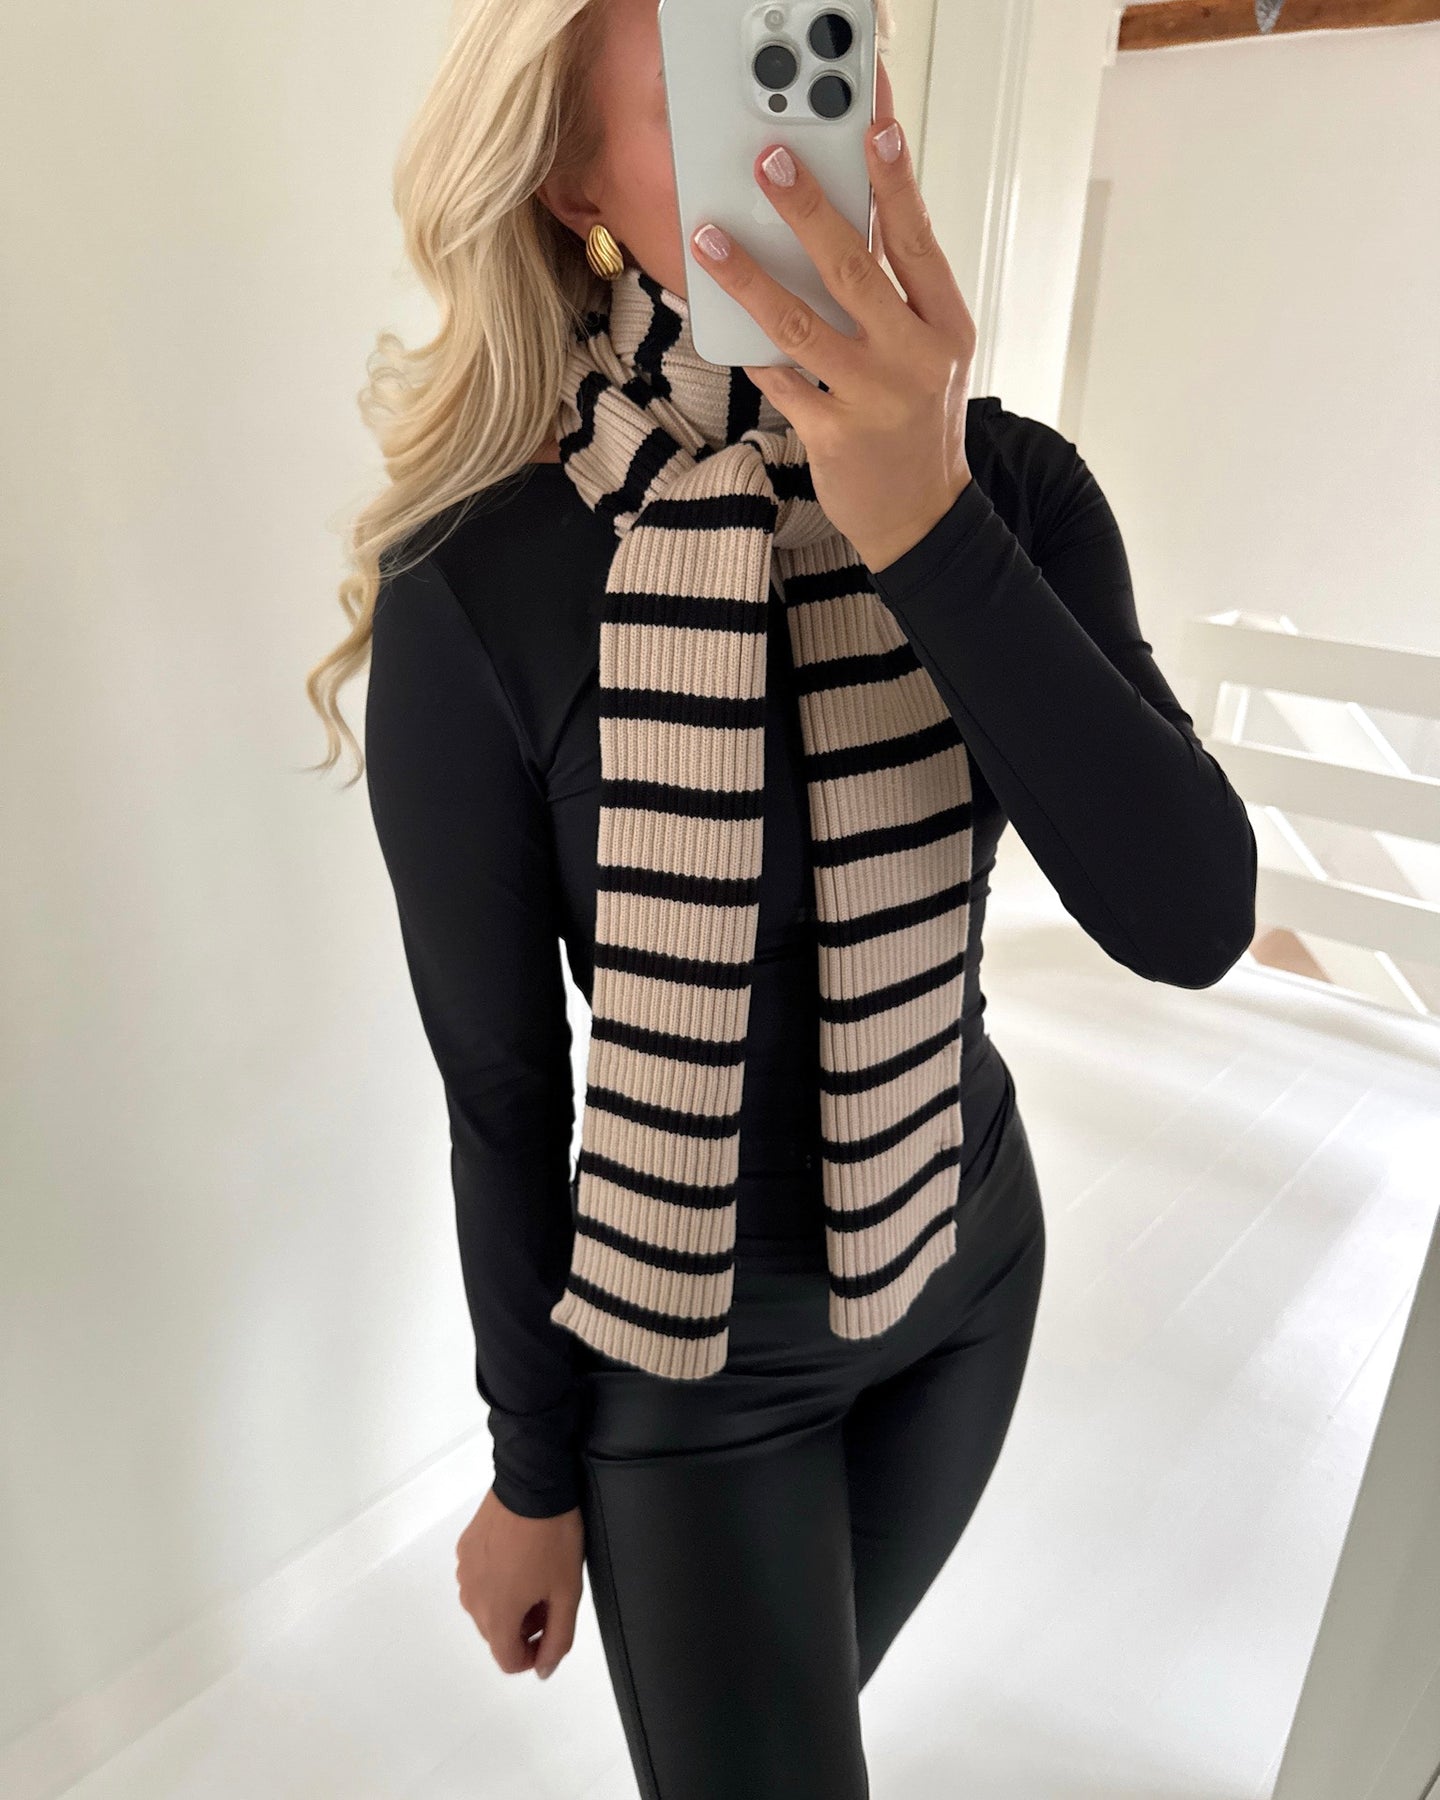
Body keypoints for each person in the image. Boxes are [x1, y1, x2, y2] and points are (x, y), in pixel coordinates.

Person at [305, 1, 1258, 1793]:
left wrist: (925, 525)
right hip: (696, 1356)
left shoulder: (1015, 493)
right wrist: (531, 1472)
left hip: (969, 1252)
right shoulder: (480, 582)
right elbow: (504, 1093)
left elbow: (1192, 917)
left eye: (813, 45)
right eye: (704, 87)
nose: (783, 143)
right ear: (575, 182)